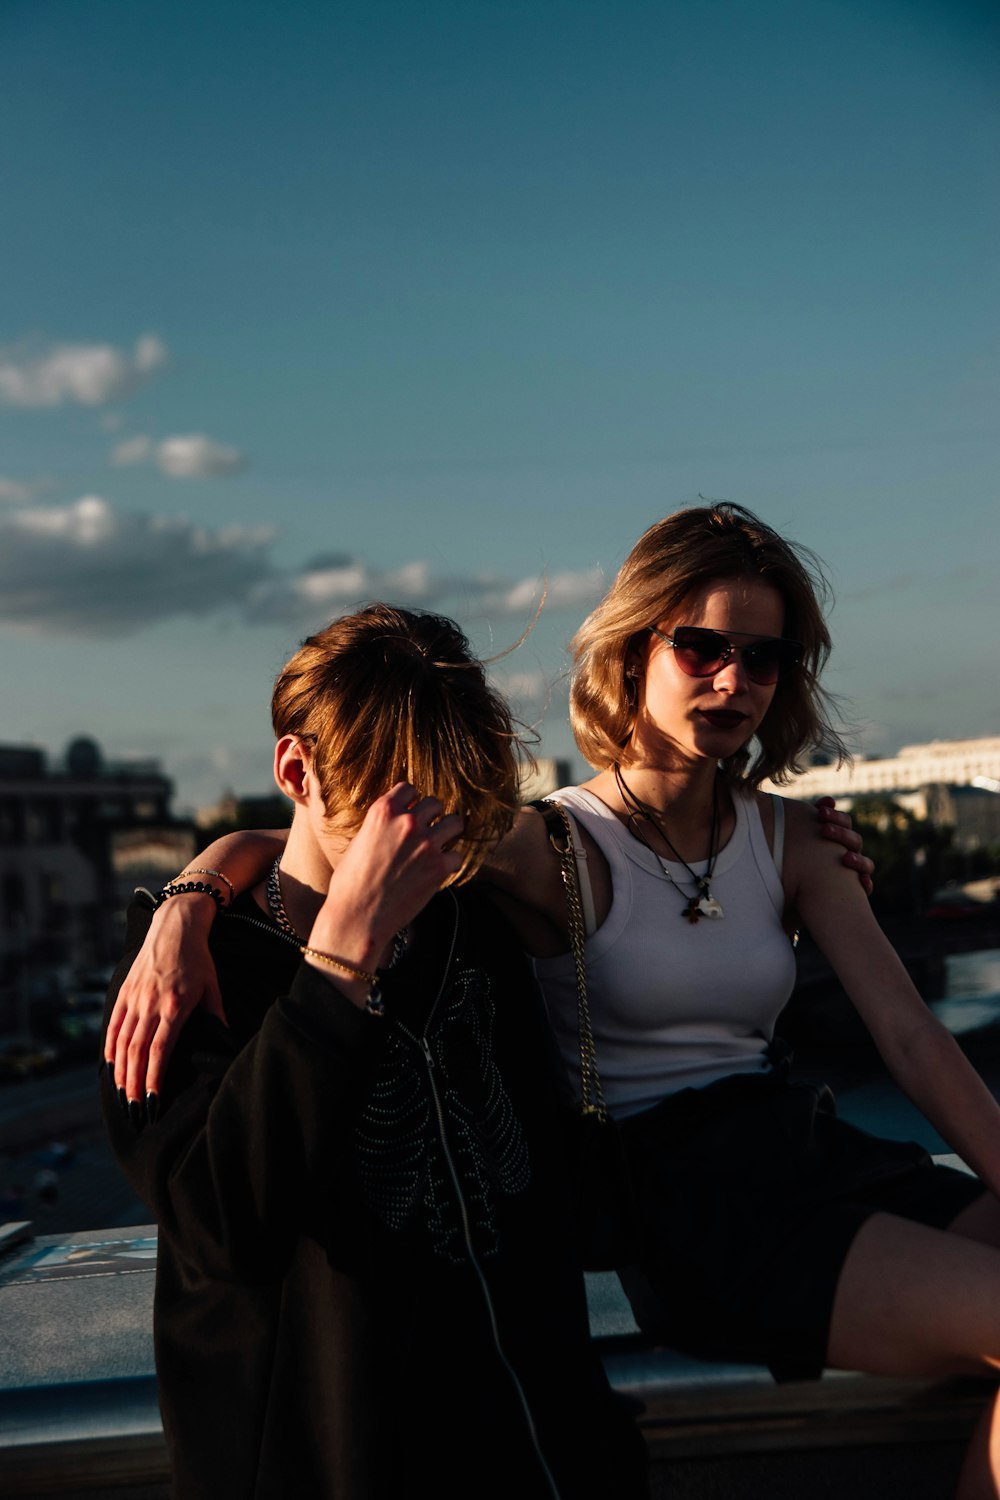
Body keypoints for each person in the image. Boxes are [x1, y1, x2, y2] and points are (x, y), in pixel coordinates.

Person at [101, 604, 647, 1500]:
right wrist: (335, 960)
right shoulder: (185, 976)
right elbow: (221, 1226)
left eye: (448, 813)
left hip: (546, 1455)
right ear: (296, 771)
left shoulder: (467, 916)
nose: (424, 849)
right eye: (395, 814)